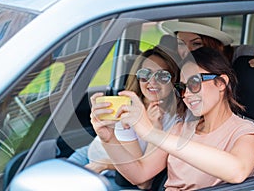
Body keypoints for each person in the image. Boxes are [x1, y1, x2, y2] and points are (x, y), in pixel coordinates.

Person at [90, 47, 254, 190]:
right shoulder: (182, 128)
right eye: (182, 87)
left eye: (194, 83)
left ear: (221, 83)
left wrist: (150, 132)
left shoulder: (245, 133)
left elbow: (236, 171)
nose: (187, 94)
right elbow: (140, 175)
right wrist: (109, 139)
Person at [68, 46, 182, 189]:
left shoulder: (178, 120)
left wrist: (155, 128)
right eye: (145, 74)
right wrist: (103, 163)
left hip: (112, 172)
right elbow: (135, 165)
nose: (152, 82)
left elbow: (143, 180)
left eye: (162, 76)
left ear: (174, 79)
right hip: (89, 157)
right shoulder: (127, 109)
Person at [162, 17, 254, 137]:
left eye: (196, 43)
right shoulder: (182, 73)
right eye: (181, 44)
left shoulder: (246, 58)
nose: (187, 51)